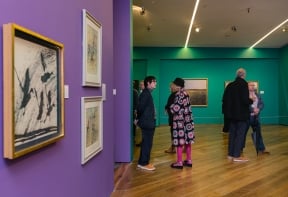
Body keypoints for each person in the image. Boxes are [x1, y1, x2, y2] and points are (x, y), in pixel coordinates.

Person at [222, 68, 253, 162]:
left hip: (231, 116)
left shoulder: (230, 85)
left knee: (232, 135)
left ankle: (230, 155)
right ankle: (236, 156)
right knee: (240, 135)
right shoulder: (243, 84)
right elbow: (245, 100)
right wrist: (251, 100)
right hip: (241, 115)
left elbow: (224, 100)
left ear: (236, 74)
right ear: (244, 75)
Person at [170, 78, 195, 169]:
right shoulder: (186, 93)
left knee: (180, 141)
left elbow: (175, 108)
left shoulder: (179, 94)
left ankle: (179, 162)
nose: (172, 86)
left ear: (177, 85)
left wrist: (171, 106)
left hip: (180, 122)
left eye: (173, 84)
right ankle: (189, 160)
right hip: (188, 120)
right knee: (188, 141)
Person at [135, 76, 157, 171]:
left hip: (148, 122)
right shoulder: (145, 94)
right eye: (154, 81)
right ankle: (143, 163)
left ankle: (144, 162)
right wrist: (138, 119)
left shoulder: (147, 93)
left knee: (147, 143)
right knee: (147, 143)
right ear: (148, 83)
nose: (155, 83)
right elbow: (140, 108)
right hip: (147, 123)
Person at [244, 82, 270, 155]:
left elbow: (262, 103)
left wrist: (258, 109)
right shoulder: (245, 95)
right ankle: (239, 149)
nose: (253, 86)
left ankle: (261, 149)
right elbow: (245, 105)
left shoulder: (258, 95)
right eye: (251, 85)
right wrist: (253, 110)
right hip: (247, 117)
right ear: (247, 86)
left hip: (256, 117)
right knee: (242, 134)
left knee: (258, 133)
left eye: (253, 85)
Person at [164, 82, 177, 153]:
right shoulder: (178, 94)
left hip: (173, 118)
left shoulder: (173, 95)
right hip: (175, 117)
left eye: (171, 87)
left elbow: (169, 105)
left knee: (173, 132)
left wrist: (166, 108)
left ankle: (173, 148)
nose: (170, 88)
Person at [135, 80, 145, 147]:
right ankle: (142, 141)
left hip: (144, 115)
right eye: (140, 84)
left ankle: (143, 142)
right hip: (142, 114)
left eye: (141, 84)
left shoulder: (145, 94)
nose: (140, 86)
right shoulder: (141, 93)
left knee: (143, 130)